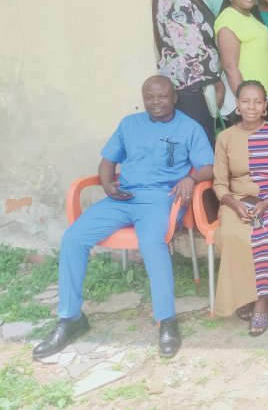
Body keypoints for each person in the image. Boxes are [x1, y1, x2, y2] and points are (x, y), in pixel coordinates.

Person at [32, 76, 214, 361]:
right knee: (73, 239)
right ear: (143, 98)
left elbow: (207, 167)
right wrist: (107, 186)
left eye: (163, 96)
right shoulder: (129, 124)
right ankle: (70, 319)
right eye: (150, 97)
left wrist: (191, 178)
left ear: (174, 97)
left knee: (152, 243)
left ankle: (166, 321)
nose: (156, 102)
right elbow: (108, 161)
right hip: (123, 197)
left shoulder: (189, 128)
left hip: (160, 199)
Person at [212, 81, 268, 335]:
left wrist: (265, 204)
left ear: (265, 107)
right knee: (230, 234)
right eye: (245, 101)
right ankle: (243, 295)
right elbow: (219, 183)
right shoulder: (224, 137)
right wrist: (235, 204)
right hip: (235, 200)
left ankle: (261, 303)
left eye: (257, 102)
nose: (251, 106)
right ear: (236, 105)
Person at [152, 0, 224, 147]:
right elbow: (191, 49)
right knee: (200, 145)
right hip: (191, 87)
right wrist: (217, 83)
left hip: (192, 84)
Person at [215, 0, 268, 123]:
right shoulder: (228, 19)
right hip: (249, 104)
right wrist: (245, 104)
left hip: (264, 98)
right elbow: (230, 67)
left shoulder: (250, 16)